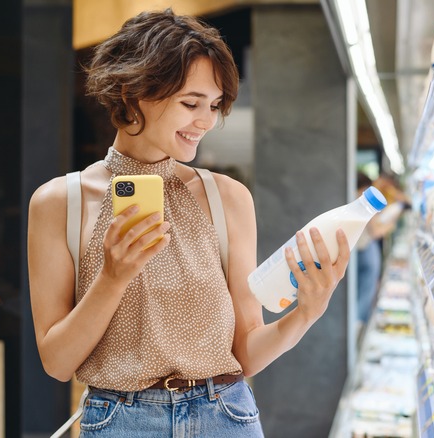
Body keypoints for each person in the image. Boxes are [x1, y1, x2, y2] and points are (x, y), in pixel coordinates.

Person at [27, 9, 350, 437]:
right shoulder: (59, 202)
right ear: (132, 91)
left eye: (214, 105)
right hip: (121, 421)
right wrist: (112, 277)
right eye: (191, 103)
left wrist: (306, 313)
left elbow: (247, 352)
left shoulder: (227, 198)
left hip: (226, 416)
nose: (207, 121)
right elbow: (57, 362)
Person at [355, 172, 400, 329]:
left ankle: (358, 324)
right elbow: (375, 231)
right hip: (365, 249)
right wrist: (391, 225)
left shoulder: (351, 200)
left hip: (359, 250)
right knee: (365, 292)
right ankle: (359, 325)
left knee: (362, 290)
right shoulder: (363, 201)